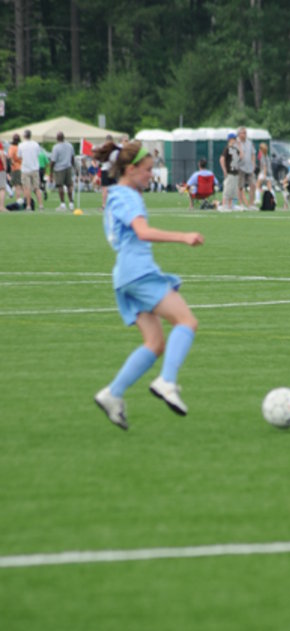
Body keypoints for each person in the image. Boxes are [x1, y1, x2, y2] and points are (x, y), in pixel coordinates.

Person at [93, 140, 204, 430]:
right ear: (130, 169)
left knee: (155, 343)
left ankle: (112, 394)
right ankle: (167, 381)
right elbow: (142, 232)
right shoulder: (128, 196)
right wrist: (183, 237)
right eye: (147, 169)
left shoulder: (115, 194)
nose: (151, 175)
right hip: (138, 272)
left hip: (124, 275)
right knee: (187, 322)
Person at [18, 129, 44, 211]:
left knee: (27, 188)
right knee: (37, 188)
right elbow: (38, 154)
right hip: (35, 168)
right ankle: (40, 205)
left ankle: (28, 205)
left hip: (25, 169)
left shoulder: (21, 145)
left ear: (24, 136)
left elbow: (19, 156)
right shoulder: (36, 144)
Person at [49, 132, 75, 211]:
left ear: (57, 138)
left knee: (60, 186)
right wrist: (73, 167)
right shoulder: (70, 145)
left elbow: (53, 161)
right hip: (68, 167)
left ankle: (63, 204)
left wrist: (51, 172)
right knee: (69, 185)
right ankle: (71, 204)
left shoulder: (56, 147)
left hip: (59, 168)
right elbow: (72, 158)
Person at [219, 132, 241, 211]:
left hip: (235, 172)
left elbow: (241, 157)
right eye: (234, 139)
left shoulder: (235, 149)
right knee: (227, 190)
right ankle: (224, 205)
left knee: (233, 190)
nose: (235, 140)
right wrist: (224, 170)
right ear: (230, 139)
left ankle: (230, 205)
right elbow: (222, 159)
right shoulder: (227, 149)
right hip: (230, 172)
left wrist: (239, 146)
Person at [236, 126, 256, 209]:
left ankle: (251, 204)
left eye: (245, 133)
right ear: (239, 134)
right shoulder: (236, 143)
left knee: (253, 185)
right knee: (240, 186)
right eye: (243, 133)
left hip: (249, 167)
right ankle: (241, 204)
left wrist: (253, 164)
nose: (244, 134)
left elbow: (253, 154)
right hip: (240, 167)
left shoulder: (250, 143)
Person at [7, 134, 23, 201]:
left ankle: (18, 200)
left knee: (17, 186)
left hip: (16, 168)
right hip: (22, 167)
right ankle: (24, 200)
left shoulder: (12, 147)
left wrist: (12, 164)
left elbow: (10, 157)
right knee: (21, 185)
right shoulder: (20, 147)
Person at [0, 140, 7, 212]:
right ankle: (1, 207)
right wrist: (5, 166)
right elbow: (1, 155)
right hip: (0, 169)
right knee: (2, 188)